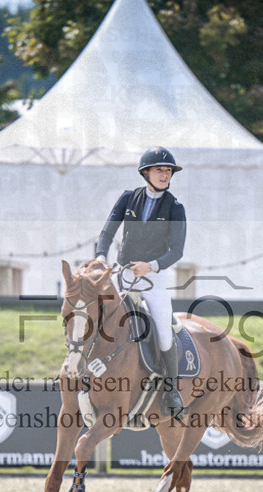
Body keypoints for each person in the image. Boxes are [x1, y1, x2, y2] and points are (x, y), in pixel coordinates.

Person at [95, 146, 187, 415]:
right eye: (160, 169)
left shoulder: (175, 207)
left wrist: (152, 266)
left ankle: (171, 390)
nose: (165, 174)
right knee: (95, 317)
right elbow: (107, 232)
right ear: (145, 172)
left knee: (163, 331)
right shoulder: (128, 198)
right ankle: (80, 371)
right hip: (123, 275)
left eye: (168, 171)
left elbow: (177, 250)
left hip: (154, 279)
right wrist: (101, 257)